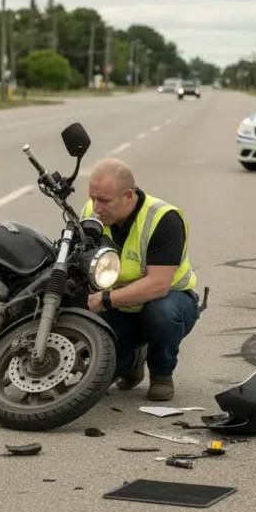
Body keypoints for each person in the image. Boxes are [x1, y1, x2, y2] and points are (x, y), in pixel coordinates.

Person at [79, 158, 200, 402]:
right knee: (97, 370)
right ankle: (132, 361)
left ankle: (161, 374)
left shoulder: (164, 219)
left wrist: (104, 299)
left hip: (168, 301)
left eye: (104, 200)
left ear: (128, 196)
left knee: (162, 314)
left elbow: (158, 284)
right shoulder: (90, 214)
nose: (97, 207)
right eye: (93, 198)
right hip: (119, 307)